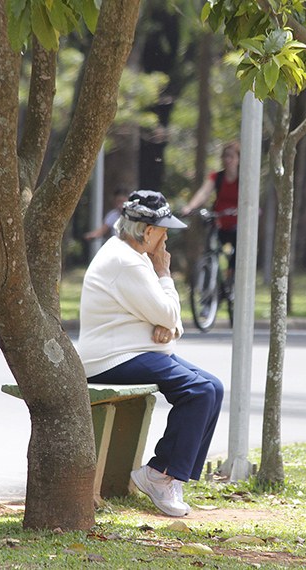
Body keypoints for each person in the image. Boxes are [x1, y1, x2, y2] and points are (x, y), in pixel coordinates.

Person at [78, 190, 224, 517]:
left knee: (212, 387)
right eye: (163, 229)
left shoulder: (132, 255)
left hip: (137, 352)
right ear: (147, 231)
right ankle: (159, 475)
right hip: (110, 359)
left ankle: (169, 475)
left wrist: (169, 328)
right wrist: (165, 275)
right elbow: (170, 313)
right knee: (198, 391)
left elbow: (171, 319)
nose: (166, 236)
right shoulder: (126, 261)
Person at [180, 141, 240, 271]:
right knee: (210, 246)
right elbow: (204, 192)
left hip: (237, 224)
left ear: (238, 159)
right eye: (225, 156)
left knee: (238, 249)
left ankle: (231, 275)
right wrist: (190, 207)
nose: (227, 160)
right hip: (219, 221)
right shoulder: (217, 177)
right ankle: (209, 274)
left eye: (231, 156)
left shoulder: (243, 178)